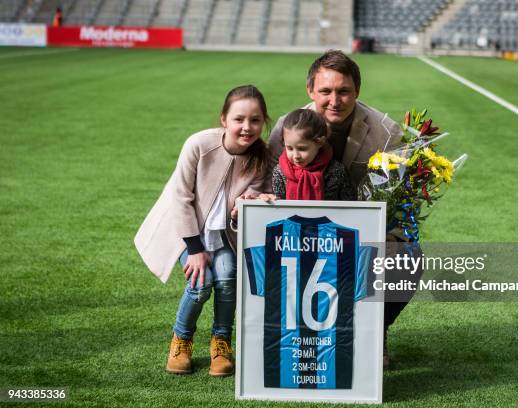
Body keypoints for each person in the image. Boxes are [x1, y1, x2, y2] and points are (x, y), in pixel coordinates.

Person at [266, 50, 421, 368]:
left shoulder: (387, 132)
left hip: (356, 236)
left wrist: (389, 235)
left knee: (409, 258)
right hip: (296, 236)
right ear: (311, 91)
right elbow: (266, 185)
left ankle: (376, 330)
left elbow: (402, 197)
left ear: (357, 91)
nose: (334, 100)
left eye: (343, 91)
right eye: (325, 91)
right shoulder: (287, 126)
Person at [134, 85, 270, 377]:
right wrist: (195, 250)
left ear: (264, 122)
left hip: (223, 237)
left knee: (227, 279)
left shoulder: (262, 158)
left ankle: (221, 343)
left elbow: (256, 198)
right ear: (224, 119)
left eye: (256, 120)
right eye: (239, 119)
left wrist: (247, 206)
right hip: (187, 233)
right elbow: (180, 197)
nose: (247, 127)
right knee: (200, 285)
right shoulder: (198, 144)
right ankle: (181, 339)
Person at [271, 108, 356, 201]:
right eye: (289, 148)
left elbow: (350, 204)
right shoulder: (280, 171)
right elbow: (279, 206)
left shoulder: (336, 171)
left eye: (302, 148)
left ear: (320, 142)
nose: (296, 156)